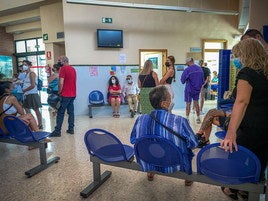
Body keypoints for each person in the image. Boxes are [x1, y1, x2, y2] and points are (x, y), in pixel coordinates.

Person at [220, 38, 268, 200]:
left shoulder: (247, 73)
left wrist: (231, 132)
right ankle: (247, 191)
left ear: (245, 55)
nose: (236, 59)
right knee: (258, 163)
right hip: (265, 128)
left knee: (239, 159)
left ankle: (233, 188)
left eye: (237, 55)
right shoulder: (265, 73)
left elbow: (242, 101)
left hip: (250, 127)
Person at [130, 85, 198, 185]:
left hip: (148, 159)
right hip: (174, 163)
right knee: (186, 149)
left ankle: (151, 171)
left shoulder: (140, 119)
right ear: (164, 104)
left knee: (151, 144)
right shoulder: (180, 121)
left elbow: (133, 139)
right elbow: (194, 144)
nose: (171, 100)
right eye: (170, 98)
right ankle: (187, 177)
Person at [50, 56, 77, 137]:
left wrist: (59, 91)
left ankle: (57, 131)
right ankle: (71, 129)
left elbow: (61, 82)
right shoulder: (73, 69)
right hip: (73, 94)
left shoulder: (63, 69)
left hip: (65, 94)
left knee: (60, 112)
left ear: (64, 61)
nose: (58, 62)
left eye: (59, 60)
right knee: (71, 112)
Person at [181, 58, 204, 123]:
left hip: (189, 89)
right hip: (197, 90)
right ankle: (198, 118)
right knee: (196, 103)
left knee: (188, 104)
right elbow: (202, 81)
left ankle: (187, 118)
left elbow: (182, 81)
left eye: (186, 64)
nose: (186, 65)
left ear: (188, 62)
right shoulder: (200, 69)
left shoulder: (187, 70)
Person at [22, 60, 43, 129]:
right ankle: (32, 123)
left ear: (29, 66)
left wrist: (24, 90)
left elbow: (33, 85)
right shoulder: (25, 74)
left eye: (25, 65)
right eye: (23, 65)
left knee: (36, 109)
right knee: (26, 109)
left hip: (32, 94)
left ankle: (40, 124)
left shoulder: (31, 73)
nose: (23, 66)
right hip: (27, 94)